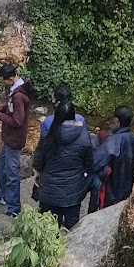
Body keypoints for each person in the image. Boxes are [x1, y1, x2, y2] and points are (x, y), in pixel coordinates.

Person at [33, 98, 96, 230]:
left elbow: (38, 163)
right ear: (74, 116)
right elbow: (90, 165)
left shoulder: (48, 136)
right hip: (73, 192)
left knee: (48, 230)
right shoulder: (85, 138)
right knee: (72, 228)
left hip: (50, 191)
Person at [0, 62, 31, 218]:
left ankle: (14, 209)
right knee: (0, 165)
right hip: (9, 139)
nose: (2, 84)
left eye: (3, 81)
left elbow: (17, 121)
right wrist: (0, 108)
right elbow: (12, 109)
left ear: (11, 78)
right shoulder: (17, 91)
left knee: (12, 174)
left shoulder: (19, 96)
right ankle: (3, 195)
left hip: (14, 140)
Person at [92, 106, 134, 207]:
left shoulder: (113, 141)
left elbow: (96, 163)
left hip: (110, 191)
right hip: (127, 189)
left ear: (117, 121)